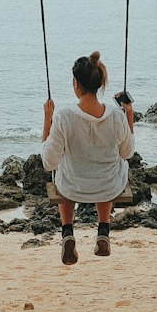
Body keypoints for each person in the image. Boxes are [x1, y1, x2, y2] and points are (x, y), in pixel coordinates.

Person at [40, 51, 135, 265]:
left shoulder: (63, 117)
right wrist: (129, 116)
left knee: (61, 166)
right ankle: (103, 230)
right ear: (100, 83)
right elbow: (127, 153)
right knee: (112, 164)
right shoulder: (117, 115)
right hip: (109, 186)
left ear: (76, 85)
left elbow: (48, 162)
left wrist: (47, 119)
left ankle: (67, 232)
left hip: (72, 187)